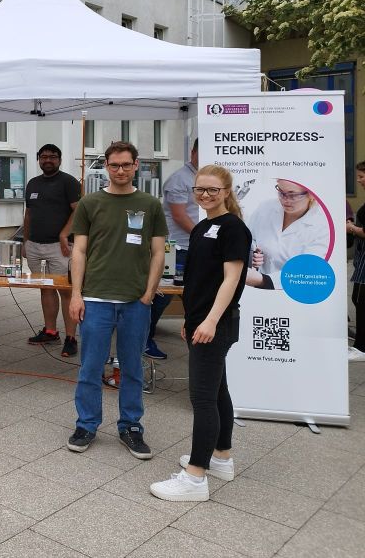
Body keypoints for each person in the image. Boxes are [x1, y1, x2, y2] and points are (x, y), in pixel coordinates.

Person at [150, 164, 251, 501]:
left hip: (216, 324)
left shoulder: (233, 228)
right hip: (200, 321)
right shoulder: (202, 227)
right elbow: (199, 279)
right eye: (199, 189)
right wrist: (191, 319)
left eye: (212, 190)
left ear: (226, 192)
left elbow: (231, 280)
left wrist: (209, 321)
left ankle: (194, 478)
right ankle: (221, 457)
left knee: (203, 399)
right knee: (218, 391)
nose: (205, 195)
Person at [67, 141, 166, 459]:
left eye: (126, 164)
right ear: (106, 167)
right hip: (96, 298)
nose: (120, 170)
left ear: (136, 165)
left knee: (132, 368)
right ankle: (86, 424)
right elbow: (79, 251)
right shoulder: (90, 203)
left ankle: (131, 427)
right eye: (114, 165)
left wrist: (149, 293)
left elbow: (158, 252)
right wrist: (76, 294)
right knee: (90, 367)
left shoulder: (150, 204)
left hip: (135, 300)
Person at [23, 144, 81, 356]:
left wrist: (64, 234)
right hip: (35, 245)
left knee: (65, 291)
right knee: (45, 288)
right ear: (38, 159)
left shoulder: (69, 182)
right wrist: (25, 241)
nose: (48, 160)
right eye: (44, 156)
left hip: (60, 248)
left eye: (53, 156)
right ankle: (50, 331)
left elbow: (78, 212)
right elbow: (29, 214)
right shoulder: (33, 183)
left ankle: (71, 338)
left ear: (60, 160)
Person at [147, 140, 200, 360]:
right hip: (177, 248)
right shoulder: (180, 179)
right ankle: (143, 339)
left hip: (195, 247)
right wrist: (204, 237)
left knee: (195, 294)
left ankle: (195, 336)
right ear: (193, 152)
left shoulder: (207, 177)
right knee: (162, 295)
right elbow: (179, 216)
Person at [246, 179, 328, 289]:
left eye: (292, 195)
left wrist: (262, 280)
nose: (285, 200)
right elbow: (249, 238)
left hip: (295, 291)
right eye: (281, 192)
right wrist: (253, 253)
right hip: (257, 287)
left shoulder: (321, 226)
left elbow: (307, 272)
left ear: (311, 195)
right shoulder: (265, 208)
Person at [347, 161, 365, 361]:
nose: (358, 181)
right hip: (361, 261)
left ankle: (361, 347)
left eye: (361, 176)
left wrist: (351, 228)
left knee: (361, 301)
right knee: (358, 300)